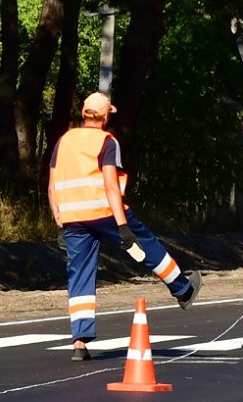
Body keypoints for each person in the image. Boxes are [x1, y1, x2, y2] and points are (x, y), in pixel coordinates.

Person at [47, 91, 202, 361]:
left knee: (80, 273)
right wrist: (122, 227)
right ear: (105, 116)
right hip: (105, 212)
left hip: (72, 218)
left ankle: (80, 342)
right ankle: (182, 289)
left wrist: (59, 221)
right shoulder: (107, 141)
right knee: (145, 242)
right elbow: (110, 185)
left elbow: (51, 187)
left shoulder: (64, 140)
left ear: (83, 113)